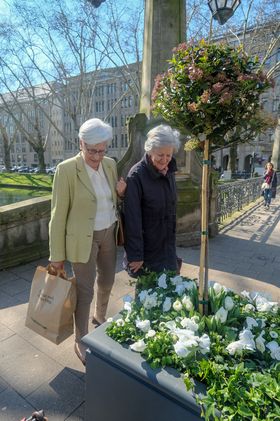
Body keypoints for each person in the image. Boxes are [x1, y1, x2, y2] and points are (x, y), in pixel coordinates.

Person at [49, 118, 126, 365]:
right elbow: (58, 215)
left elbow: (109, 198)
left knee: (108, 279)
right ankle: (80, 338)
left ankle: (100, 316)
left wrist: (120, 193)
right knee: (84, 289)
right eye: (91, 150)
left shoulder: (110, 164)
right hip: (83, 239)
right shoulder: (67, 170)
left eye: (102, 150)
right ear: (81, 143)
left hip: (108, 231)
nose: (96, 156)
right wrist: (57, 255)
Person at [123, 124, 182, 277]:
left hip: (167, 247)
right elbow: (132, 219)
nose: (165, 160)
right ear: (150, 151)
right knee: (147, 296)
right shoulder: (136, 175)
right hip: (147, 250)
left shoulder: (169, 171)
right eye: (160, 155)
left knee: (168, 293)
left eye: (168, 155)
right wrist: (135, 255)